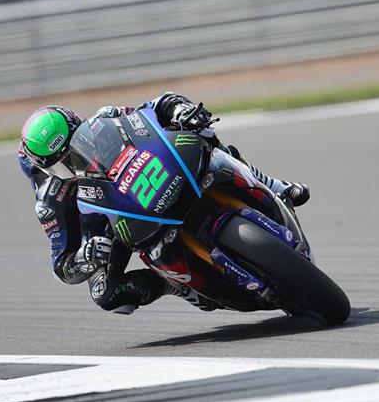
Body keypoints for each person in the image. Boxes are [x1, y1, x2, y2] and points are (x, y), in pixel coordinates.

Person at [18, 93, 310, 315]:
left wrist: (183, 111)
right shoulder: (50, 201)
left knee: (203, 133)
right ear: (46, 168)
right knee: (105, 295)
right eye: (62, 163)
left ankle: (273, 185)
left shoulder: (105, 121)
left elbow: (156, 106)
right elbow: (62, 266)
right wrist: (85, 257)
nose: (72, 162)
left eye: (75, 146)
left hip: (152, 175)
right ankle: (176, 285)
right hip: (113, 222)